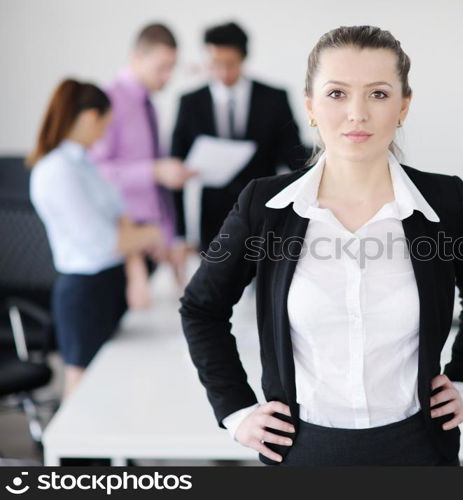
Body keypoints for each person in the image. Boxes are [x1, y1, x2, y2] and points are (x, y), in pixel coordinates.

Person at [179, 25, 463, 466]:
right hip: (302, 453)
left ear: (403, 107)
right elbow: (202, 307)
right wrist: (237, 411)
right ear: (310, 107)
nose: (357, 114)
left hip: (418, 450)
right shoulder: (264, 206)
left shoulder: (445, 202)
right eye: (337, 94)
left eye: (378, 94)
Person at [27, 79, 163, 399]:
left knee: (113, 387)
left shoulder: (86, 164)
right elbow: (103, 241)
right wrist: (155, 233)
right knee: (83, 393)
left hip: (108, 283)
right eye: (105, 123)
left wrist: (135, 259)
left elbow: (121, 216)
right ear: (90, 117)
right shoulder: (56, 171)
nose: (105, 133)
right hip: (84, 294)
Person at [170, 21, 309, 252]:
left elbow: (295, 159)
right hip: (213, 223)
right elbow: (175, 168)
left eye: (230, 64)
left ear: (244, 58)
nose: (223, 73)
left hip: (265, 217)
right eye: (215, 64)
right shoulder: (190, 103)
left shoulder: (274, 99)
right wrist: (179, 234)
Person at [90, 23, 196, 307]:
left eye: (172, 67)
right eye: (162, 67)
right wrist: (155, 171)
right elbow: (97, 173)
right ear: (138, 57)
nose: (168, 76)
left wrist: (170, 237)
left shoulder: (147, 104)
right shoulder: (108, 100)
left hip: (152, 246)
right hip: (123, 252)